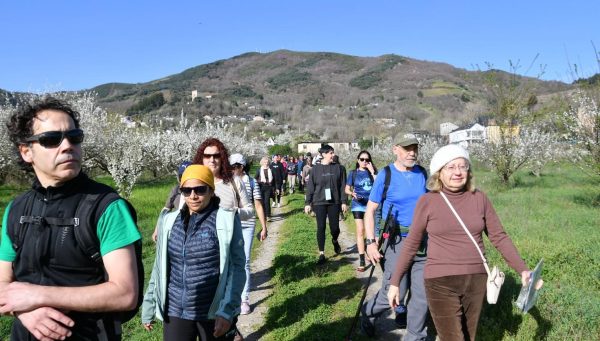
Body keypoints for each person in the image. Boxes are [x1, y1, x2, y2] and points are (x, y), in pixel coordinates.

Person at [0, 97, 141, 340]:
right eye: (51, 139)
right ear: (26, 151)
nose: (67, 146)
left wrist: (38, 296)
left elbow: (125, 293)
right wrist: (25, 311)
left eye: (74, 137)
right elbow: (2, 283)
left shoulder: (106, 207)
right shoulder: (16, 210)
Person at [388, 144, 543, 341]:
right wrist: (395, 283)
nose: (458, 172)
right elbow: (411, 244)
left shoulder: (479, 198)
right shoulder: (427, 201)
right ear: (439, 172)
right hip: (440, 281)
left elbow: (499, 237)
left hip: (475, 280)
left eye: (463, 166)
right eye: (451, 167)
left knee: (469, 336)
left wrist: (523, 269)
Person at [141, 165, 245, 341]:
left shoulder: (226, 220)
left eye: (200, 189)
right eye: (186, 191)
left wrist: (227, 311)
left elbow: (237, 268)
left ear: (211, 191)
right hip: (175, 310)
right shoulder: (169, 221)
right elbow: (160, 267)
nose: (193, 196)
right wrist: (149, 303)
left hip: (212, 310)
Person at [361, 133, 429, 340]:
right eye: (407, 148)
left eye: (415, 148)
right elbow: (370, 211)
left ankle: (415, 336)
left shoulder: (422, 173)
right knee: (394, 294)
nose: (412, 153)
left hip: (423, 242)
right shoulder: (386, 174)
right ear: (395, 149)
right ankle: (368, 311)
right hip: (396, 242)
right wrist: (371, 243)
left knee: (422, 296)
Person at [229, 153, 268, 315]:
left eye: (236, 166)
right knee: (230, 261)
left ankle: (244, 299)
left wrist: (264, 227)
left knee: (244, 261)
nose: (233, 169)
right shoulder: (227, 182)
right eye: (231, 166)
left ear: (242, 166)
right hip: (231, 225)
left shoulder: (252, 182)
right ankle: (231, 295)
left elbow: (258, 205)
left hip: (247, 224)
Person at [304, 145, 348, 264]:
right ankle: (322, 253)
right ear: (323, 154)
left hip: (334, 202)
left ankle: (334, 240)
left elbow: (343, 186)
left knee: (335, 228)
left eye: (333, 153)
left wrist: (344, 202)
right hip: (319, 202)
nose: (333, 155)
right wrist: (308, 203)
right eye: (330, 153)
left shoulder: (339, 168)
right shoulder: (315, 170)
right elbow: (310, 187)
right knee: (321, 227)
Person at [192, 138, 253, 221]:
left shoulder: (234, 181)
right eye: (207, 156)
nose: (212, 160)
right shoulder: (192, 182)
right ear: (201, 159)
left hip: (230, 232)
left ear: (222, 159)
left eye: (216, 156)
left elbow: (249, 211)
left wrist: (231, 213)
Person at [345, 150, 378, 272]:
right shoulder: (353, 173)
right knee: (360, 230)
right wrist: (352, 193)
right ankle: (362, 258)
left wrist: (372, 172)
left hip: (371, 205)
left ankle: (371, 251)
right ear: (358, 160)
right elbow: (346, 189)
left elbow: (379, 185)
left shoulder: (372, 173)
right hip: (358, 204)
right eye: (362, 159)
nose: (365, 162)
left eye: (367, 160)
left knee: (372, 231)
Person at [152, 160, 192, 242]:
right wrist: (157, 229)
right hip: (176, 228)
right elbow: (166, 209)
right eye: (182, 176)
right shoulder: (176, 190)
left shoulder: (199, 191)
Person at [255, 156, 274, 221]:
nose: (266, 163)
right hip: (261, 187)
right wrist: (260, 181)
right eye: (265, 162)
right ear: (262, 163)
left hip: (268, 187)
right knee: (262, 202)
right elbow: (255, 179)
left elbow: (273, 179)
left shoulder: (270, 169)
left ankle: (268, 216)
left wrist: (275, 187)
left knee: (267, 201)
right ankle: (264, 215)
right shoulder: (259, 170)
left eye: (267, 162)